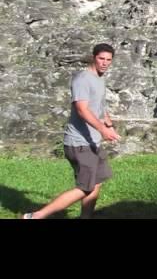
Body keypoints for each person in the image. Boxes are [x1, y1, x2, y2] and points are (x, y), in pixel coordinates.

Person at [23, 43, 121, 219]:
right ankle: (35, 216)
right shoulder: (82, 79)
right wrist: (102, 129)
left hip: (93, 142)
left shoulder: (99, 78)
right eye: (101, 58)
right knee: (85, 187)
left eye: (108, 60)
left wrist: (108, 124)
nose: (105, 63)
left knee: (97, 182)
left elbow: (99, 106)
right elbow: (82, 109)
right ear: (93, 57)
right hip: (79, 144)